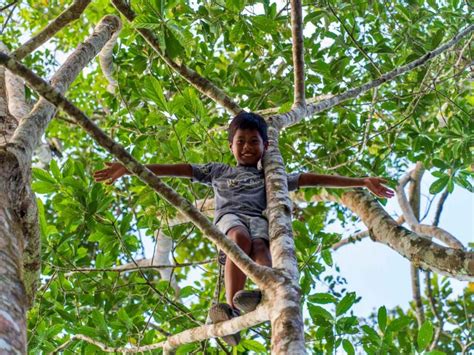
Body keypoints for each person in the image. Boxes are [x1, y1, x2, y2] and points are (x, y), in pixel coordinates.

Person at [94, 111, 394, 346]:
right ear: (231, 146)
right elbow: (182, 169)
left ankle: (261, 294)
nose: (248, 147)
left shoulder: (272, 177)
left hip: (260, 221)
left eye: (254, 142)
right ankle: (231, 306)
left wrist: (361, 181)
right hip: (230, 219)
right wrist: (131, 167)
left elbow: (310, 179)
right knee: (238, 238)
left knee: (262, 248)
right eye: (241, 142)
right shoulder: (219, 170)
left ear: (265, 147)